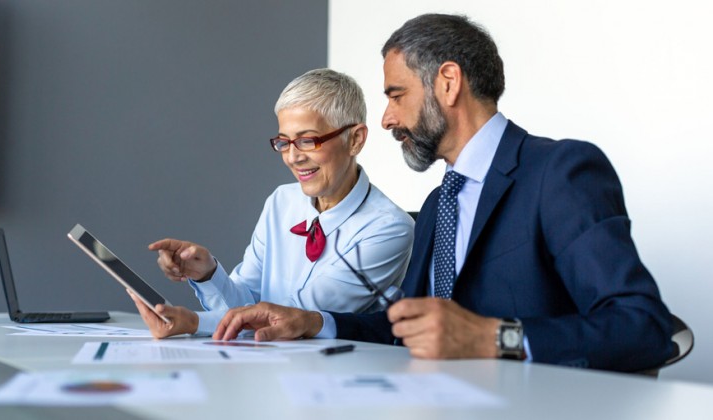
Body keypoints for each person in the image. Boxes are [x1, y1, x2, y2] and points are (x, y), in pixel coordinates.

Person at [214, 14, 676, 372]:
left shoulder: (560, 173)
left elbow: (643, 328)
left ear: (448, 83)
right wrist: (315, 323)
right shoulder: (440, 204)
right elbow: (404, 328)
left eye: (397, 96)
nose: (388, 119)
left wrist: (494, 339)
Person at [130, 68, 414, 338]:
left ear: (355, 140)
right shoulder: (282, 201)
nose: (293, 157)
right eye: (284, 142)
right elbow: (245, 303)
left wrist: (192, 322)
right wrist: (208, 275)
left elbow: (294, 316)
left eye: (307, 141)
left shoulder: (390, 228)